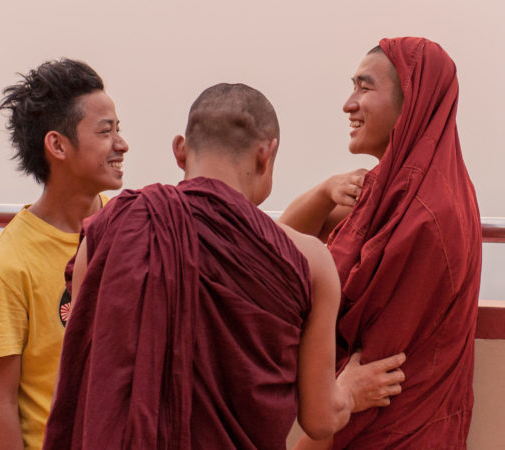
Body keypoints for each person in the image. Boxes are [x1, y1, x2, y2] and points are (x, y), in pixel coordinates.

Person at [43, 83, 405, 450]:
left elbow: (74, 379)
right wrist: (349, 392)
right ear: (266, 155)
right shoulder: (311, 261)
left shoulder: (115, 231)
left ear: (180, 151)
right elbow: (319, 417)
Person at [281, 38, 482, 449]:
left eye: (364, 87)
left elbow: (373, 376)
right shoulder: (388, 190)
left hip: (391, 433)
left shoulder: (428, 217)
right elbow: (277, 244)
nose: (348, 103)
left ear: (412, 104)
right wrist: (323, 192)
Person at [0, 58, 129, 449]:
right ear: (57, 144)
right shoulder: (7, 265)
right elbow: (0, 402)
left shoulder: (132, 227)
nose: (121, 145)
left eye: (119, 130)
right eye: (105, 132)